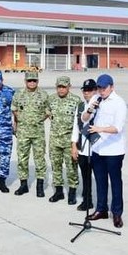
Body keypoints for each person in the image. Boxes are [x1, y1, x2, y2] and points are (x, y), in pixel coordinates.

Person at [83, 74, 127, 229]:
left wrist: (99, 129)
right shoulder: (96, 99)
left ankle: (117, 213)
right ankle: (101, 209)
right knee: (100, 181)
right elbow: (84, 119)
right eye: (99, 88)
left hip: (114, 150)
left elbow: (117, 128)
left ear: (111, 87)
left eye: (104, 88)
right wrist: (89, 109)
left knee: (115, 182)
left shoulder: (119, 103)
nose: (101, 91)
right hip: (98, 149)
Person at [11, 71, 49, 197]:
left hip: (38, 133)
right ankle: (23, 185)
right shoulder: (18, 94)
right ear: (25, 81)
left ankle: (40, 185)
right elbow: (14, 109)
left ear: (37, 81)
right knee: (22, 159)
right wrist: (20, 122)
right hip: (23, 132)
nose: (32, 83)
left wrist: (37, 120)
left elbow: (48, 111)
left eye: (34, 80)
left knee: (40, 160)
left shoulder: (43, 95)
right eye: (29, 80)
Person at [47, 76, 83, 204]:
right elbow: (46, 113)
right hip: (55, 139)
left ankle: (72, 192)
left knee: (71, 167)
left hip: (69, 141)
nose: (61, 90)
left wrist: (76, 143)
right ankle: (59, 191)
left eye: (64, 87)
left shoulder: (76, 101)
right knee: (56, 166)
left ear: (69, 87)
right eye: (59, 87)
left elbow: (80, 123)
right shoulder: (50, 99)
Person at [71, 79, 97, 211]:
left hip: (96, 148)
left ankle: (101, 204)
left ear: (95, 91)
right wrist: (74, 145)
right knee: (85, 177)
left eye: (89, 90)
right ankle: (88, 201)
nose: (86, 93)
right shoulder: (81, 105)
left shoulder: (99, 105)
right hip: (83, 148)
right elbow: (76, 126)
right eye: (85, 90)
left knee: (99, 178)